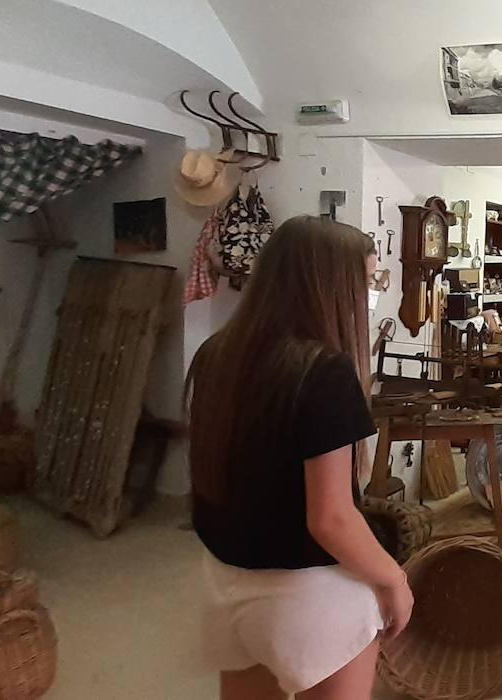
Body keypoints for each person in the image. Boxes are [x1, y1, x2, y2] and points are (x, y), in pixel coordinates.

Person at [186, 216, 413, 699]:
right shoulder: (324, 372)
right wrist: (395, 579)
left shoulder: (214, 354)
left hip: (222, 579)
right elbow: (330, 518)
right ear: (330, 284)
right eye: (367, 280)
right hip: (305, 596)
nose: (369, 296)